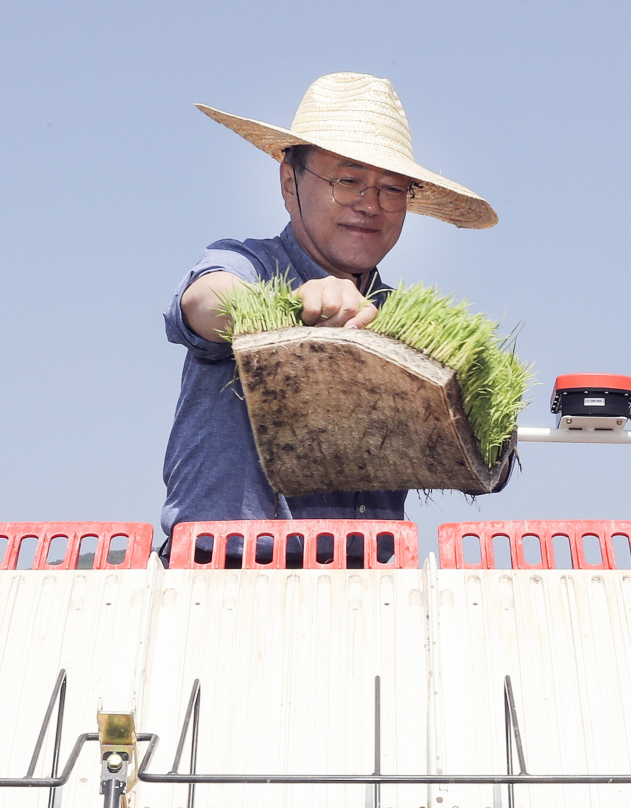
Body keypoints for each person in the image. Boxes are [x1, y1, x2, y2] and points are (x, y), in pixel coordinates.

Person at [161, 72, 496, 547]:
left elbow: (483, 450)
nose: (369, 205)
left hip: (366, 583)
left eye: (391, 189)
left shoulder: (405, 322)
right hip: (224, 574)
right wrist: (289, 309)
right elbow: (205, 301)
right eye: (348, 181)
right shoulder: (249, 264)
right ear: (289, 183)